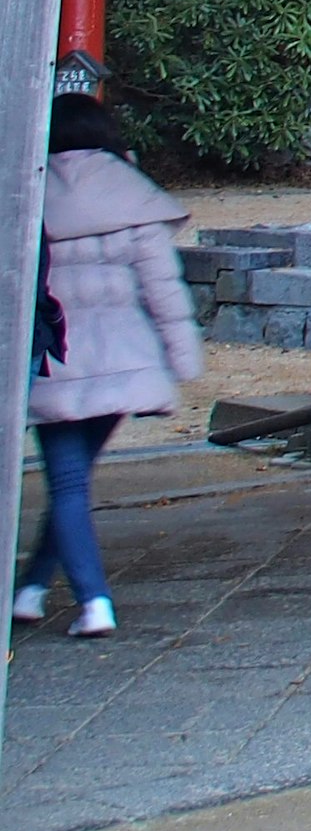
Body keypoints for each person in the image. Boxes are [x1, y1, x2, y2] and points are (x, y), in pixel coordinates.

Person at [19, 94, 200, 637]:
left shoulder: (27, 193)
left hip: (55, 363)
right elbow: (163, 291)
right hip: (127, 362)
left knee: (67, 483)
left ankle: (93, 601)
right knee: (71, 484)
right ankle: (28, 591)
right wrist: (183, 359)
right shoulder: (131, 193)